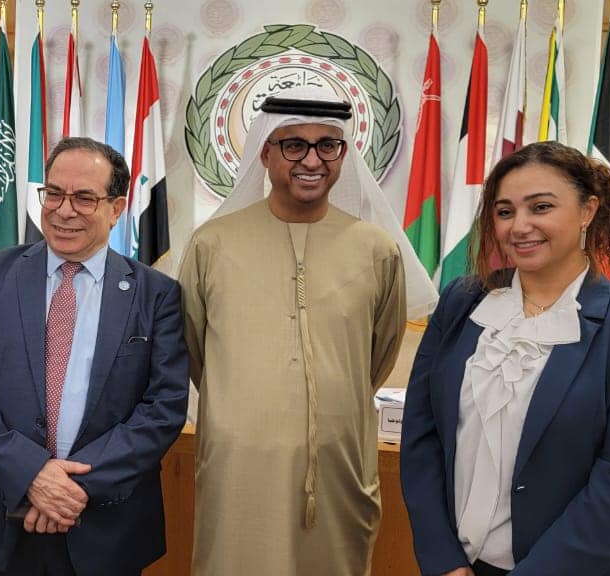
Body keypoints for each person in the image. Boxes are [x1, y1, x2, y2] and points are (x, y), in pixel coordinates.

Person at [177, 86, 438, 575]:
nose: (312, 160)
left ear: (343, 154)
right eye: (294, 144)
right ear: (266, 153)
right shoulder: (212, 244)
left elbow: (376, 357)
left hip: (339, 465)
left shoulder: (376, 250)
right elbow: (194, 349)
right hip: (239, 467)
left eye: (327, 145)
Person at [400, 141, 610, 576]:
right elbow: (422, 435)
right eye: (505, 211)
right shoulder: (462, 301)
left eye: (541, 207)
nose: (520, 226)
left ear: (587, 210)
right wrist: (444, 560)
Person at [0, 136, 189, 576]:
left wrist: (69, 489)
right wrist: (31, 475)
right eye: (54, 193)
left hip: (108, 525)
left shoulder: (156, 294)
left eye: (84, 198)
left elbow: (163, 408)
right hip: (4, 517)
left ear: (116, 208)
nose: (63, 210)